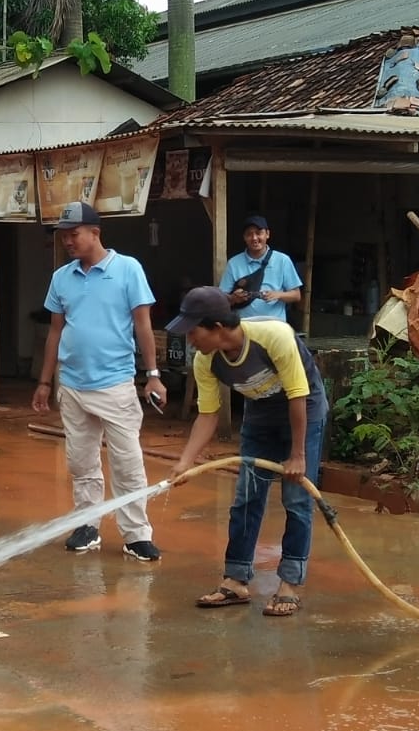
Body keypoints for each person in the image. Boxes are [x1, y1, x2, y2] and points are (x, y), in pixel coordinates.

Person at [166, 286, 326, 617]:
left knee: (296, 499)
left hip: (304, 413)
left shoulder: (274, 336)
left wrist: (298, 455)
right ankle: (236, 580)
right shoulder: (205, 360)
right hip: (261, 417)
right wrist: (184, 462)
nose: (190, 340)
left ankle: (290, 584)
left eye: (193, 331)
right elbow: (208, 414)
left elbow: (298, 395)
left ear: (217, 327)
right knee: (246, 499)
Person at [31, 201, 166, 561]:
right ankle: (88, 525)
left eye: (73, 234)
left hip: (116, 383)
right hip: (73, 386)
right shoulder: (62, 278)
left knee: (127, 463)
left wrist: (152, 376)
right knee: (81, 462)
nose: (67, 242)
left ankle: (136, 535)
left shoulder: (127, 270)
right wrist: (45, 382)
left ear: (95, 232)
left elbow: (143, 325)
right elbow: (55, 332)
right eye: (63, 236)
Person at [219, 215, 301, 321]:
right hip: (245, 326)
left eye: (258, 233)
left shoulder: (283, 260)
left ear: (267, 234)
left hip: (275, 326)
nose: (254, 238)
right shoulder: (233, 263)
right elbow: (221, 299)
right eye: (249, 234)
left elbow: (296, 295)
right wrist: (233, 299)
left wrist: (278, 295)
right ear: (244, 237)